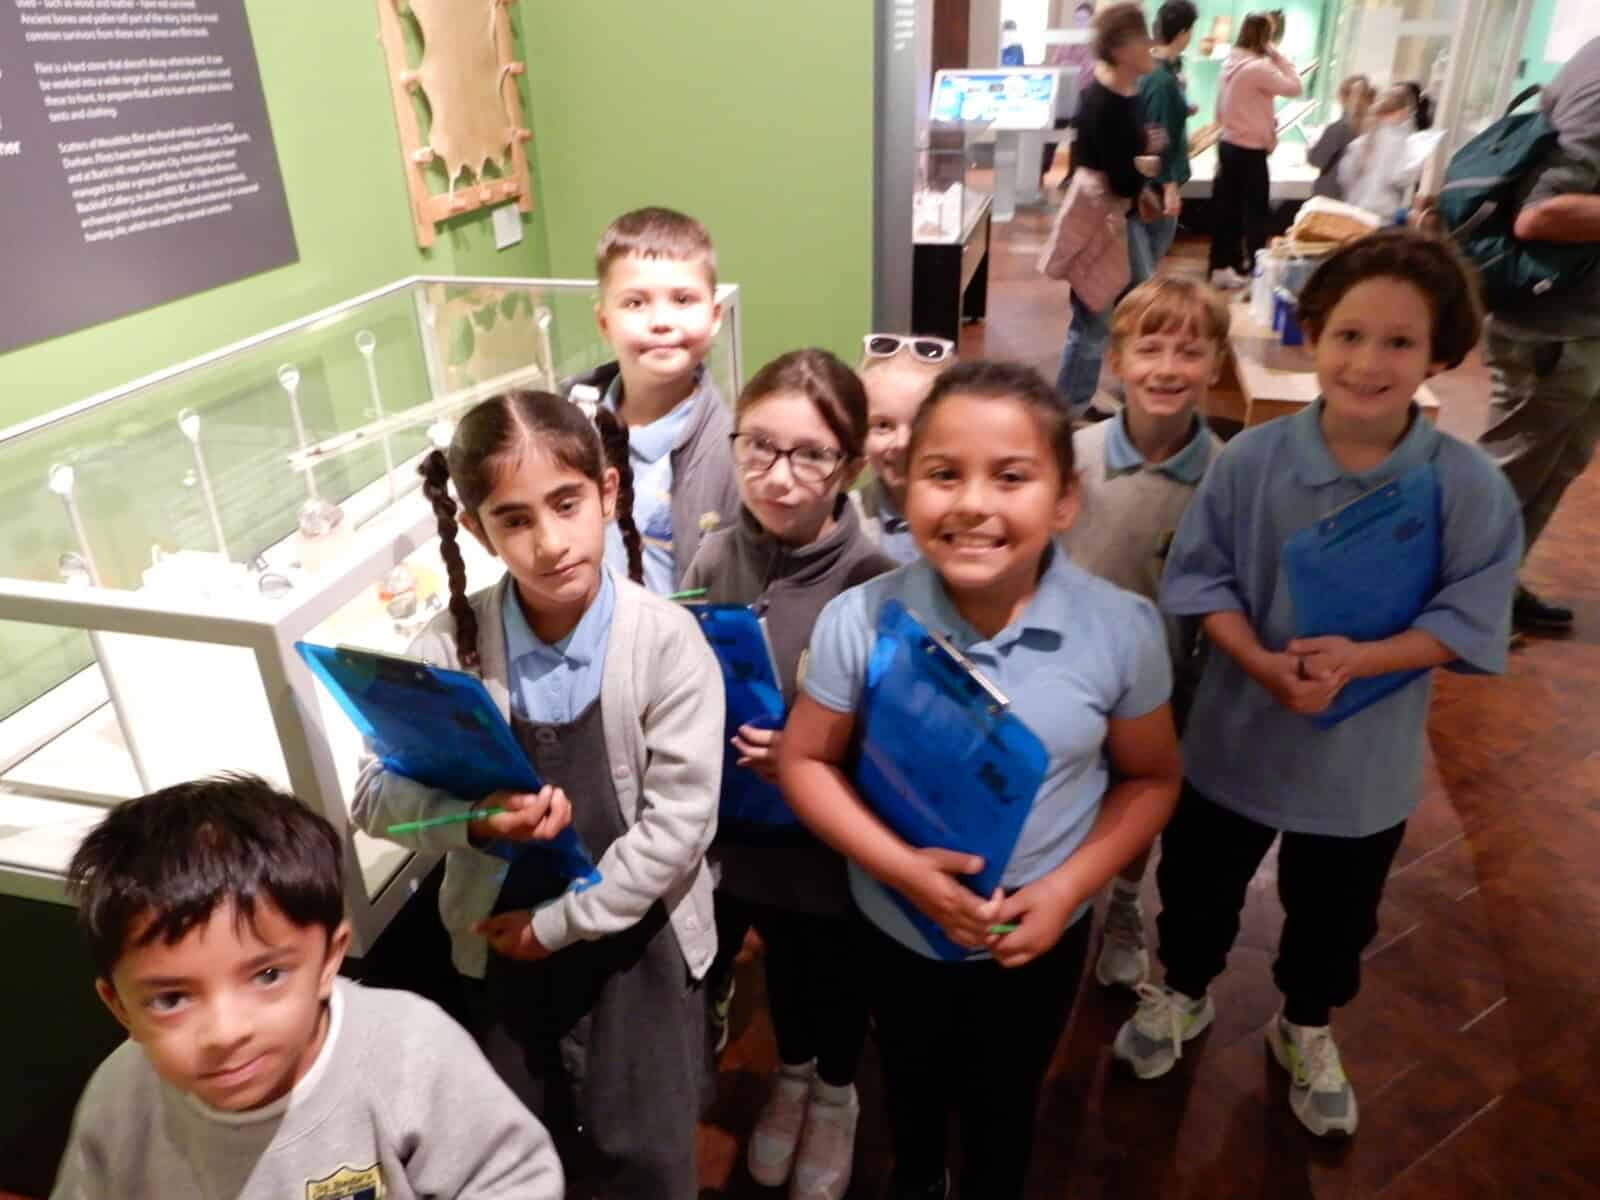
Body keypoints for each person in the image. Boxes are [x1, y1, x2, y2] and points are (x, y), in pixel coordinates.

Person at [1113, 230, 1521, 1139]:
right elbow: (1203, 579)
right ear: (1314, 333)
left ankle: (1304, 1023)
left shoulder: (1466, 487)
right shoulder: (1251, 461)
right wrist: (1260, 662)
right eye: (1349, 334)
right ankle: (1183, 990)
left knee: (1335, 915)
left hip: (1362, 761)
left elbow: (1469, 613)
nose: (1368, 363)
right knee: (1200, 884)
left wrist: (1362, 661)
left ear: (1440, 355)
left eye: (1400, 342)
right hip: (1236, 737)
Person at [781, 361, 1182, 1199]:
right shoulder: (861, 617)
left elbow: (1150, 778)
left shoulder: (1121, 630)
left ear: (1064, 499)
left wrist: (1066, 887)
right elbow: (804, 758)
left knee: (1006, 1103)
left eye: (1010, 477)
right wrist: (902, 871)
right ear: (904, 483)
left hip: (1036, 938)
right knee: (909, 1087)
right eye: (943, 473)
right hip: (896, 924)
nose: (972, 503)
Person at [350, 391, 723, 1198]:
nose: (550, 543)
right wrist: (474, 820)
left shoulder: (665, 643)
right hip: (498, 947)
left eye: (566, 503)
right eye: (514, 519)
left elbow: (679, 827)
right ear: (477, 530)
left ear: (608, 492)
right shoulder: (446, 648)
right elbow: (373, 796)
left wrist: (557, 925)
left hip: (640, 949)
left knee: (647, 1153)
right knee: (522, 1150)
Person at [53, 775, 564, 1199]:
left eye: (267, 975)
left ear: (328, 959)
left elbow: (513, 1178)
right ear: (119, 1007)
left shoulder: (410, 1049)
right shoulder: (120, 1100)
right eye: (172, 999)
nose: (226, 1032)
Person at [684, 349, 895, 1200]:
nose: (778, 476)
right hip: (744, 827)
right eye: (759, 447)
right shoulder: (715, 557)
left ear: (851, 464)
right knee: (782, 968)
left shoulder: (877, 581)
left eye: (810, 454)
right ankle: (793, 1074)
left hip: (832, 839)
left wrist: (816, 756)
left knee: (834, 968)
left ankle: (835, 1093)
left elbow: (899, 738)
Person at [1060, 275, 1227, 990]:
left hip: (1163, 682)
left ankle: (1125, 902)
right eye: (1149, 349)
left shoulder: (1224, 475)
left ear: (1215, 365)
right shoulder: (1075, 457)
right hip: (1068, 669)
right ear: (1117, 360)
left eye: (1189, 352)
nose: (1166, 368)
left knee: (1138, 796)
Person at [1475, 34, 1600, 633]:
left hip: (1580, 326)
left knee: (1554, 468)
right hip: (1550, 328)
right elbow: (1542, 214)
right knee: (1505, 476)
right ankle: (1450, 605)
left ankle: (1493, 590)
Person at [567, 206, 740, 595]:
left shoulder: (733, 455)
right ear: (604, 322)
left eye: (683, 299)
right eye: (635, 303)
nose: (661, 321)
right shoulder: (565, 422)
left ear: (714, 316)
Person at [1055, 3, 1161, 417]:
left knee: (1131, 303)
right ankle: (1070, 407)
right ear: (1119, 48)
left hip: (1119, 218)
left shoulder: (1124, 95)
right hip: (1103, 222)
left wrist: (1142, 170)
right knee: (1094, 315)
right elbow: (1119, 176)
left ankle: (1082, 396)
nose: (1149, 45)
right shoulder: (1102, 102)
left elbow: (1125, 163)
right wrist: (1144, 167)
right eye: (1141, 38)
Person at [1209, 12, 1303, 289]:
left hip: (1229, 144)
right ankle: (1255, 270)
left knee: (1228, 210)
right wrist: (1276, 54)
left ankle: (1223, 265)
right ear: (1265, 36)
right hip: (1250, 150)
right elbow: (1295, 87)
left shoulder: (1230, 62)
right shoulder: (1258, 68)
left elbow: (1221, 108)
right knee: (1255, 214)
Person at [853, 333, 954, 564]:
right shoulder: (844, 519)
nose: (902, 442)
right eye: (883, 425)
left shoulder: (971, 518)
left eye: (919, 423)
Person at [1133, 1, 1202, 283]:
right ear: (1183, 32)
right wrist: (1170, 188)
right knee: (1146, 261)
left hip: (1149, 178)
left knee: (1144, 257)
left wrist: (1181, 109)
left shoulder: (1159, 69)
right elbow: (1159, 134)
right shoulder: (1161, 79)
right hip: (1156, 183)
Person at [1339, 84, 1425, 219]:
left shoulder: (1366, 136)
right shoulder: (1405, 140)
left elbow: (1345, 174)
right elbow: (1399, 177)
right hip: (1384, 211)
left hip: (1356, 207)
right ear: (1406, 110)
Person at [1309, 75, 1373, 200]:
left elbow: (1317, 160)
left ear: (1342, 98)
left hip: (1332, 194)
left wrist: (1310, 150)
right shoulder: (1375, 129)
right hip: (1360, 196)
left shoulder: (1338, 128)